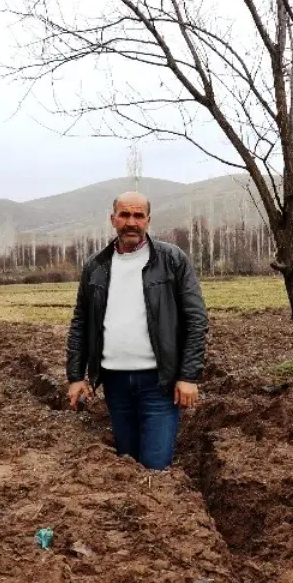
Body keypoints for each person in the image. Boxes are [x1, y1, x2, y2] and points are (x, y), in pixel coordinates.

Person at [66, 191, 209, 470]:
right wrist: (75, 375)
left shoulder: (172, 260)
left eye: (138, 215)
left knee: (155, 466)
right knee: (127, 464)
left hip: (159, 384)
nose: (131, 222)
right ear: (113, 219)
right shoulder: (96, 266)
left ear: (148, 220)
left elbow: (196, 319)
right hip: (115, 384)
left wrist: (188, 376)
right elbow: (81, 321)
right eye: (125, 215)